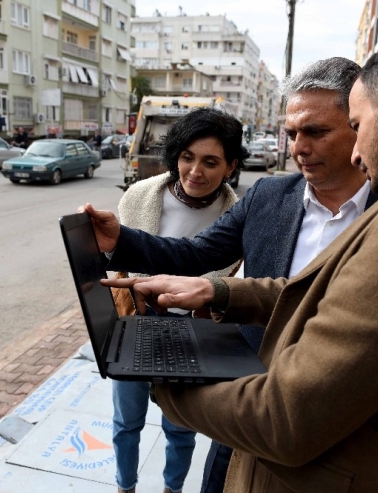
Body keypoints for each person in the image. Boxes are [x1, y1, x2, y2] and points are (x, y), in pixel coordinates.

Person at [101, 37, 378, 492]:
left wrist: (159, 372)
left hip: (312, 461)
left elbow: (288, 415)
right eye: (291, 134)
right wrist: (217, 290)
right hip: (255, 422)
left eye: (352, 126)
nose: (302, 148)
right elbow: (320, 289)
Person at [82, 57, 378, 493]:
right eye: (292, 133)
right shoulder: (269, 196)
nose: (299, 147)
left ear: (358, 125)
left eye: (316, 131)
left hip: (331, 413)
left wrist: (212, 293)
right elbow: (195, 253)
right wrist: (118, 240)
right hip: (250, 390)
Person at [111, 107, 246, 493]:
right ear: (175, 156)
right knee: (126, 422)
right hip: (137, 325)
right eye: (187, 157)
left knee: (181, 427)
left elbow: (229, 282)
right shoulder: (139, 197)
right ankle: (125, 487)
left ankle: (173, 489)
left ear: (230, 165)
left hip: (193, 333)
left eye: (210, 161)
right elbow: (120, 269)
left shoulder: (237, 216)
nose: (195, 172)